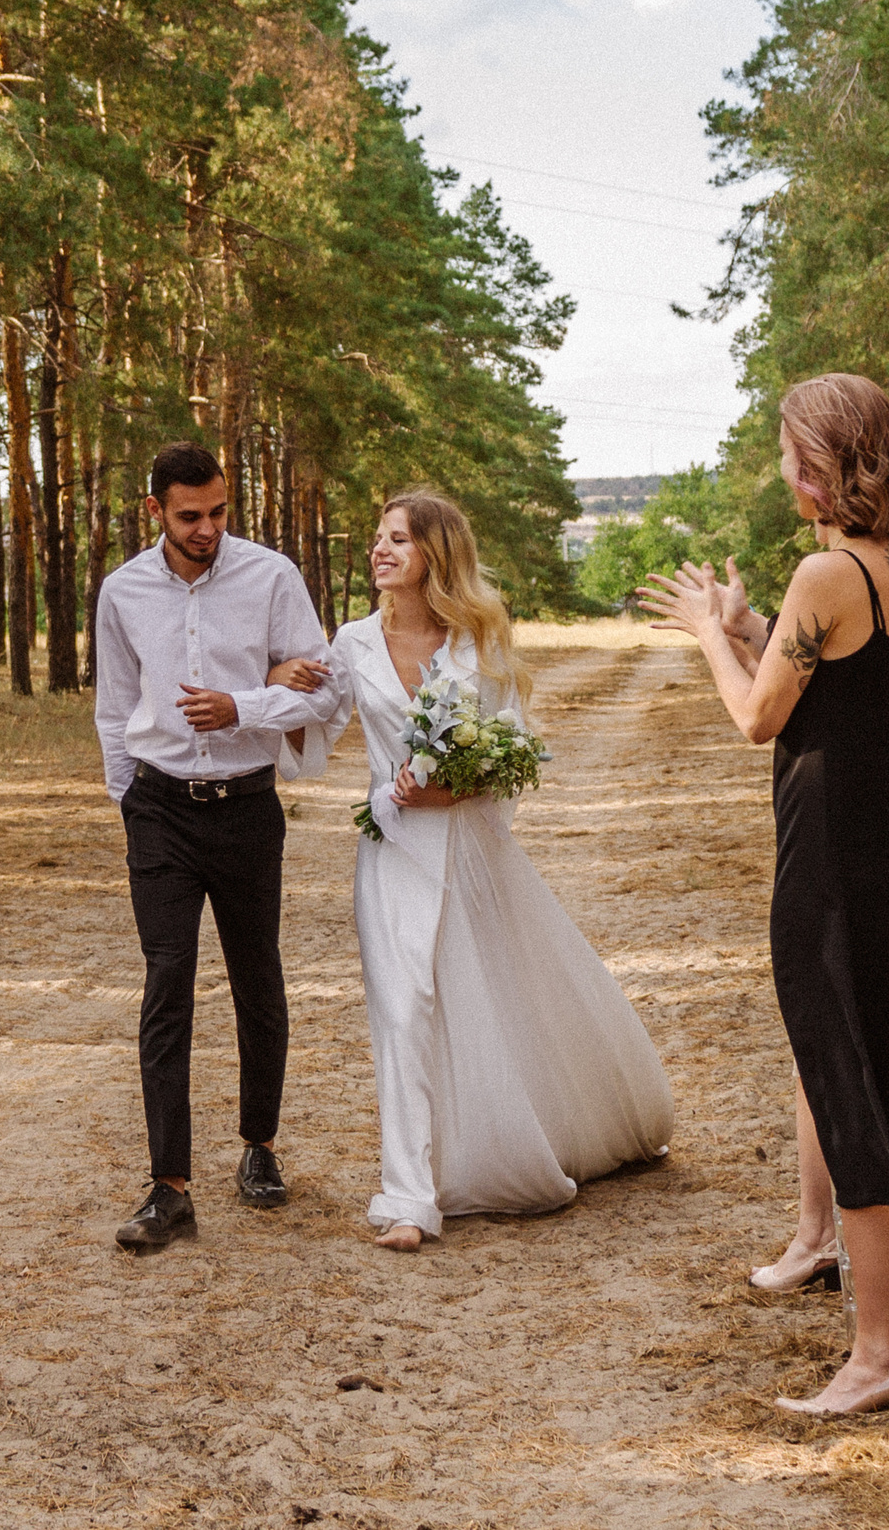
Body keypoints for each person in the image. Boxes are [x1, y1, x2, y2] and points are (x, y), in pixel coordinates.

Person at [640, 372, 889, 1418]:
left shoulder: (825, 571)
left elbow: (756, 720)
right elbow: (840, 705)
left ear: (824, 462)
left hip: (828, 865)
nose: (782, 471)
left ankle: (879, 1355)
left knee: (847, 1078)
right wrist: (752, 629)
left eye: (789, 452)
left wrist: (706, 631)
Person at [275, 491, 673, 1249]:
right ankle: (409, 1196)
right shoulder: (352, 642)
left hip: (469, 849)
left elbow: (513, 754)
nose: (379, 550)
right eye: (377, 537)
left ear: (436, 554)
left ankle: (556, 1128)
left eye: (398, 539)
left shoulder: (476, 643)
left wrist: (453, 785)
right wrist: (281, 692)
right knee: (401, 1007)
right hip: (391, 850)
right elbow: (312, 739)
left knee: (491, 999)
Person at [92, 441, 333, 1251]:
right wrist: (127, 798)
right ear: (154, 508)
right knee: (168, 983)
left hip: (247, 807)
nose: (207, 529)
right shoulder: (122, 590)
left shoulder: (270, 576)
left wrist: (246, 707)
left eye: (219, 512)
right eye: (190, 515)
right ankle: (169, 1184)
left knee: (257, 975)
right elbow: (114, 704)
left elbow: (327, 684)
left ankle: (259, 1145)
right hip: (159, 808)